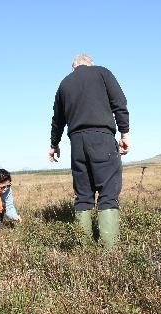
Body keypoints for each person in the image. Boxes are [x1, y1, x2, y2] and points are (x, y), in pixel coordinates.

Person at [48, 54, 130, 247]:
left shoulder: (64, 83)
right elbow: (119, 103)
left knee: (83, 195)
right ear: (89, 64)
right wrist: (125, 133)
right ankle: (110, 250)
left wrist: (54, 145)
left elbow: (57, 120)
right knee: (108, 192)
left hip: (76, 143)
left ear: (74, 67)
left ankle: (84, 249)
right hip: (102, 138)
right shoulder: (102, 73)